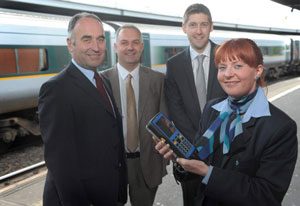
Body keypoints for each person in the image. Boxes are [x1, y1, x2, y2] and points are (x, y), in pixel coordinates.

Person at [156, 38, 298, 206]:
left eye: (237, 66)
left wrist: (207, 172)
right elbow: (197, 164)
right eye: (222, 68)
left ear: (258, 71)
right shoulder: (212, 109)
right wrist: (180, 159)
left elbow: (266, 195)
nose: (228, 74)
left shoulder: (280, 127)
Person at [38, 12, 127, 206]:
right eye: (87, 39)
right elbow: (61, 165)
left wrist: (120, 190)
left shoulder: (102, 80)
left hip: (108, 194)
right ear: (70, 44)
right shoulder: (56, 90)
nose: (96, 47)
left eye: (100, 39)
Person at [164, 3, 226, 205]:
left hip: (225, 152)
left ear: (211, 26)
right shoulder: (173, 65)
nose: (198, 31)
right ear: (184, 27)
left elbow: (235, 103)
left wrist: (212, 144)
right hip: (190, 153)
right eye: (193, 25)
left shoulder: (226, 57)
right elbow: (176, 110)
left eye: (203, 24)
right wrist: (198, 148)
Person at [102, 24, 168, 206]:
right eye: (124, 43)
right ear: (115, 47)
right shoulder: (101, 81)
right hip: (113, 165)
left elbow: (165, 122)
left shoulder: (158, 80)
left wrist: (165, 159)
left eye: (135, 42)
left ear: (142, 46)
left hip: (147, 162)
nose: (130, 47)